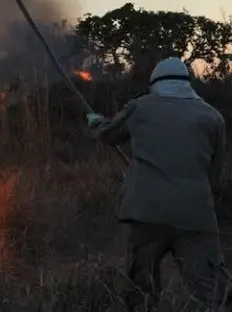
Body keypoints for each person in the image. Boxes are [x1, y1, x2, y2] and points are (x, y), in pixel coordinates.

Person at [87, 57, 230, 311]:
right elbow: (214, 174)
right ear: (188, 83)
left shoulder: (140, 108)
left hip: (146, 212)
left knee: (141, 288)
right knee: (213, 289)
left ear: (155, 83)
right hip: (195, 214)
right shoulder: (213, 117)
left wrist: (96, 122)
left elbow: (108, 135)